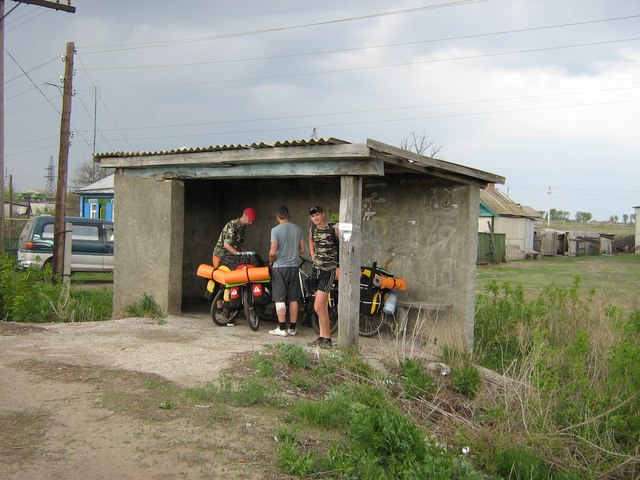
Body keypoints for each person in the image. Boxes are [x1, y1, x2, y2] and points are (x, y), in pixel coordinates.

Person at [212, 207, 257, 322]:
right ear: (244, 215)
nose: (251, 223)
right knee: (222, 282)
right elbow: (227, 245)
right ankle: (219, 308)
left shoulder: (243, 228)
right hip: (220, 255)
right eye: (250, 220)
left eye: (252, 221)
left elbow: (239, 244)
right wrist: (238, 254)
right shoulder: (232, 225)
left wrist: (246, 253)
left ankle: (232, 308)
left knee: (234, 281)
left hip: (232, 257)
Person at [268, 205, 305, 337]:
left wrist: (271, 260)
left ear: (277, 216)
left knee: (280, 297)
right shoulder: (298, 229)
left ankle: (282, 328)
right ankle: (293, 328)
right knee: (293, 298)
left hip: (279, 267)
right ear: (288, 215)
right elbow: (302, 250)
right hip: (294, 267)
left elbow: (273, 251)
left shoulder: (275, 230)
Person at [307, 205, 339, 347]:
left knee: (318, 306)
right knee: (323, 306)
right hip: (316, 270)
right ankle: (322, 337)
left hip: (328, 271)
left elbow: (344, 246)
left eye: (317, 215)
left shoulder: (333, 229)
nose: (315, 218)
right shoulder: (312, 229)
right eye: (313, 216)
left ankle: (328, 339)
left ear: (323, 214)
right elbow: (310, 240)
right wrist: (313, 255)